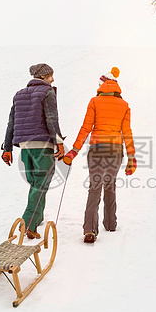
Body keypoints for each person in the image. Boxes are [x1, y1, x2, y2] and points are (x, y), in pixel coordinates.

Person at [63, 67, 137, 243]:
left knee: (95, 187)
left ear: (102, 86)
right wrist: (132, 158)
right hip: (115, 151)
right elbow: (127, 132)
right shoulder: (124, 105)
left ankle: (89, 230)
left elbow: (86, 127)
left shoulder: (94, 101)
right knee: (110, 184)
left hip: (96, 150)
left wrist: (74, 150)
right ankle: (111, 224)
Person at [1, 63, 65, 239]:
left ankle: (38, 217)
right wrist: (59, 143)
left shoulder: (19, 94)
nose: (53, 79)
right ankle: (28, 223)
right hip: (42, 146)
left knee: (36, 183)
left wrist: (7, 149)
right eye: (51, 76)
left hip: (24, 147)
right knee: (40, 184)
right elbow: (52, 119)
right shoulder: (47, 92)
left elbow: (11, 124)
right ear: (43, 76)